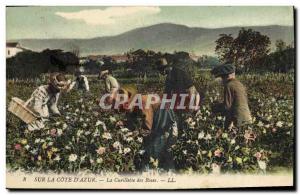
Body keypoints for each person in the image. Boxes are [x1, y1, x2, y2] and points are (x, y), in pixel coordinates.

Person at [117, 85, 178, 171]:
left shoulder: (142, 102)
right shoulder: (136, 102)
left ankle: (156, 168)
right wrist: (125, 123)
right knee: (154, 144)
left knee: (155, 146)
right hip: (160, 116)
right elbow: (132, 117)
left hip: (164, 118)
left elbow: (147, 125)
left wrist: (137, 133)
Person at [211, 64, 252, 130]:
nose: (222, 80)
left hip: (238, 119)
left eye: (222, 77)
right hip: (247, 117)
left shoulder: (229, 85)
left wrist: (216, 108)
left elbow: (227, 106)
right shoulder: (240, 84)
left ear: (226, 76)